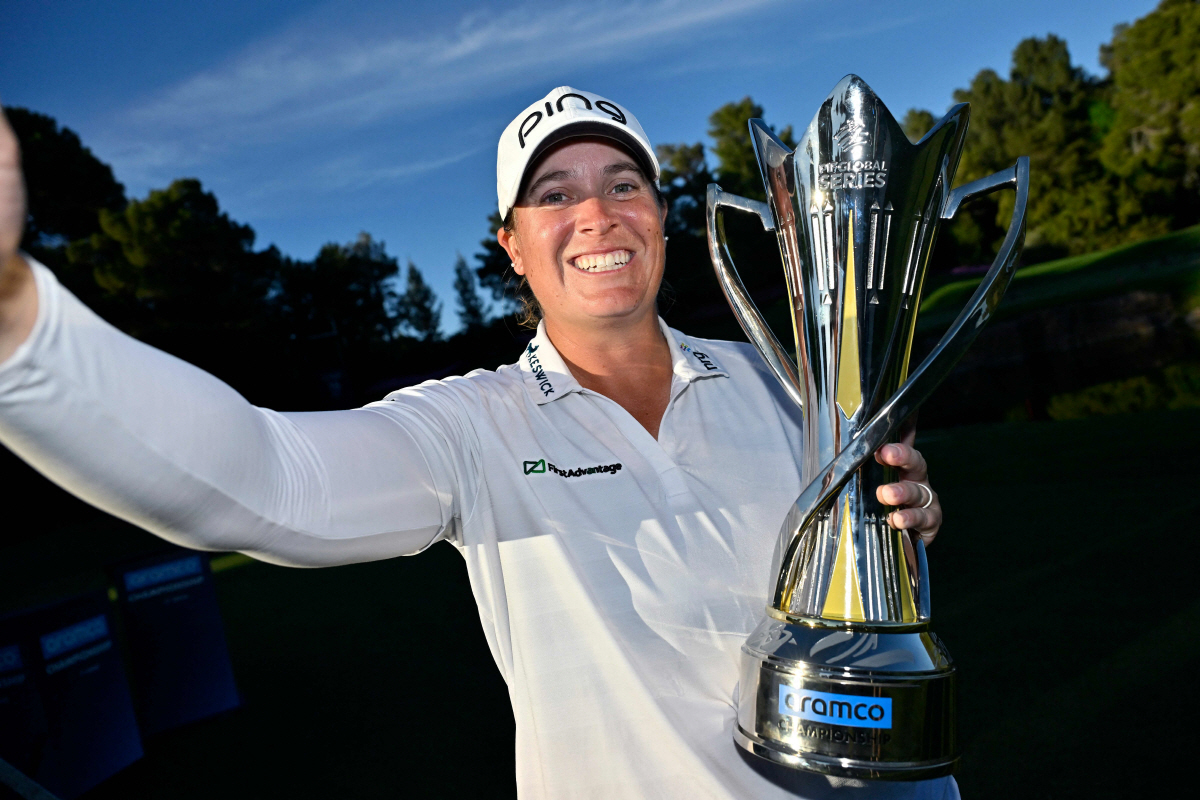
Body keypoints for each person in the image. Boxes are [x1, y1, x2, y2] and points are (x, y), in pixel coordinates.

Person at [0, 86, 949, 799]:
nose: (597, 214)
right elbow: (266, 482)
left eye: (625, 183)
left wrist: (895, 535)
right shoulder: (468, 423)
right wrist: (21, 328)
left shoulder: (794, 381)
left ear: (661, 215)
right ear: (512, 247)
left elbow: (859, 593)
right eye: (554, 195)